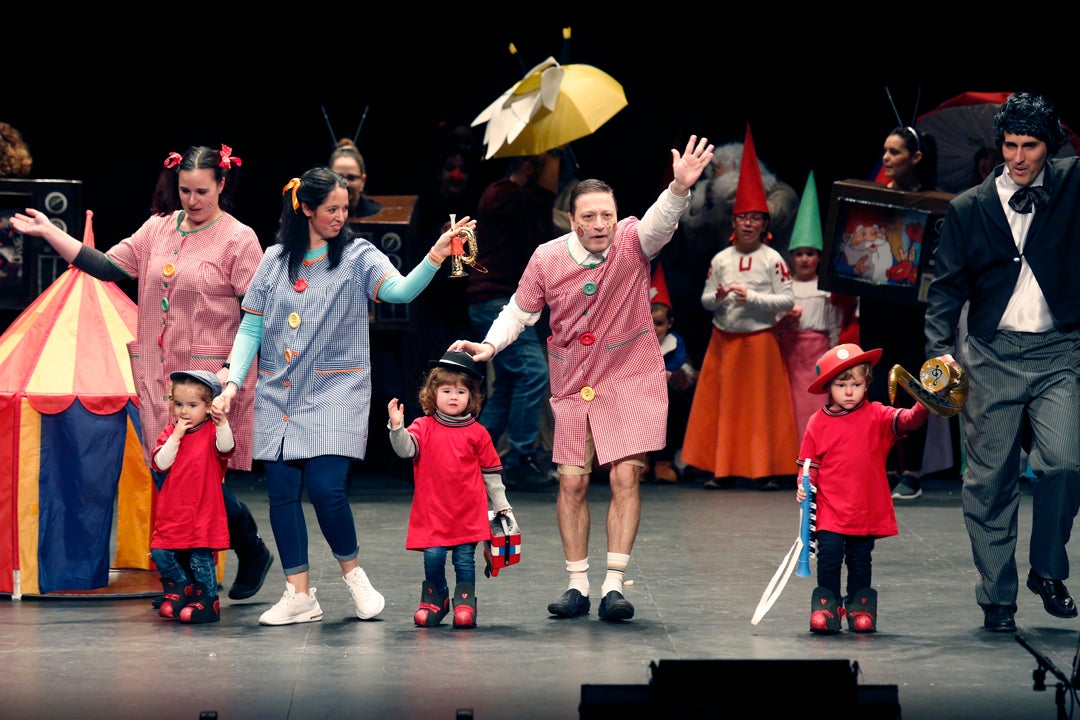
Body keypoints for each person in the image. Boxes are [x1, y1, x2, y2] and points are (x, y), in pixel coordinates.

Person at [451, 133, 715, 622]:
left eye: (607, 215)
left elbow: (660, 222)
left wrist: (678, 190)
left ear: (617, 216)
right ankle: (577, 585)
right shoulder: (548, 258)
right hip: (574, 381)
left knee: (624, 476)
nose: (600, 225)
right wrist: (488, 345)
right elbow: (520, 311)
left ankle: (614, 585)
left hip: (630, 374)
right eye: (589, 217)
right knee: (571, 484)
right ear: (571, 220)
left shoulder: (634, 241)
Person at [10, 144, 275, 603]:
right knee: (166, 475)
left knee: (200, 478)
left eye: (202, 192)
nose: (191, 201)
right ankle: (195, 578)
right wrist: (53, 233)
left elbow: (256, 311)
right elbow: (108, 266)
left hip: (209, 377)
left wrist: (231, 378)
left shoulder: (238, 239)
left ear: (222, 185)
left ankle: (246, 549)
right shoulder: (157, 228)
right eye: (185, 190)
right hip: (160, 376)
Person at [218, 166, 472, 626]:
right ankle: (299, 594)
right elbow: (251, 326)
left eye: (344, 208)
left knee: (325, 489)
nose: (341, 215)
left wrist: (435, 254)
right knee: (280, 492)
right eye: (331, 208)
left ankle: (353, 576)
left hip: (336, 387)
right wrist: (233, 382)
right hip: (280, 391)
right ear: (306, 209)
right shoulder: (274, 260)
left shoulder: (357, 256)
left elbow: (398, 291)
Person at [924, 92, 1080, 633]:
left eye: (1030, 146)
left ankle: (1047, 570)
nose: (1017, 156)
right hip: (991, 354)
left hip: (1061, 351)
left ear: (1050, 147)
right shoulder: (970, 207)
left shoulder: (1071, 186)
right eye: (1009, 145)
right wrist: (938, 353)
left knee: (1065, 464)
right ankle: (997, 599)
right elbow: (944, 289)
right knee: (990, 483)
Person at [681, 126, 798, 491]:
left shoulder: (772, 258)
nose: (747, 223)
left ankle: (763, 470)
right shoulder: (720, 258)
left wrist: (753, 297)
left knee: (760, 409)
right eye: (742, 217)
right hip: (725, 341)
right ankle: (721, 469)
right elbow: (704, 299)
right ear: (733, 221)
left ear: (765, 224)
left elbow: (787, 299)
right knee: (725, 408)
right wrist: (716, 299)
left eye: (755, 218)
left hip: (760, 340)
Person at [797, 343, 929, 634]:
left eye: (855, 384)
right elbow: (809, 465)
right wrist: (803, 486)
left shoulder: (878, 416)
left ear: (866, 383)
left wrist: (925, 401)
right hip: (831, 509)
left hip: (863, 509)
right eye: (841, 385)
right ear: (828, 387)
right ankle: (827, 606)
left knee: (859, 559)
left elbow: (909, 420)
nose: (848, 392)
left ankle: (859, 606)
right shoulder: (817, 423)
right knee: (829, 555)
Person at [388, 349, 513, 629]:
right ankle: (437, 598)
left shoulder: (477, 432)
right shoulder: (423, 426)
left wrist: (501, 504)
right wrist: (397, 428)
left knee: (464, 559)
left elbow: (492, 473)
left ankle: (465, 602)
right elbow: (406, 450)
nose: (453, 397)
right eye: (446, 390)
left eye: (460, 391)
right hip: (433, 511)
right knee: (433, 556)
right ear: (433, 394)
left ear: (472, 397)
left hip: (467, 512)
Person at [466, 150, 563, 491]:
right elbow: (544, 196)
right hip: (497, 301)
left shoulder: (512, 197)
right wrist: (552, 158)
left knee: (507, 385)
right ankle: (520, 458)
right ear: (526, 167)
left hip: (499, 299)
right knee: (534, 373)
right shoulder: (504, 196)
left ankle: (471, 456)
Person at [861, 125, 943, 501]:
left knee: (913, 385)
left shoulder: (936, 205)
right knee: (876, 384)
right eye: (884, 151)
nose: (887, 159)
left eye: (895, 152)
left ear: (916, 157)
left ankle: (910, 473)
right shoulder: (870, 200)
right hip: (877, 308)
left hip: (916, 310)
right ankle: (876, 467)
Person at [151, 370, 234, 624]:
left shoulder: (211, 432)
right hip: (174, 510)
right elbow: (160, 463)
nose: (183, 411)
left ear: (209, 407)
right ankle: (181, 586)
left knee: (200, 556)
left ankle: (208, 599)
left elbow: (226, 447)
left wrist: (222, 424)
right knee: (161, 552)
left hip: (203, 509)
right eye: (178, 404)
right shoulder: (170, 433)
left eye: (192, 405)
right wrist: (176, 436)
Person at [775, 171, 843, 443]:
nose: (804, 259)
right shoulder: (784, 288)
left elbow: (834, 325)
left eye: (810, 253)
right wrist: (783, 324)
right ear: (791, 257)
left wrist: (834, 358)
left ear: (819, 256)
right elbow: (776, 322)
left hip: (817, 356)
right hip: (789, 354)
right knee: (787, 406)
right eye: (799, 253)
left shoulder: (825, 288)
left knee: (814, 406)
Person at [647, 263, 695, 483]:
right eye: (650, 323)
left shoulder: (674, 342)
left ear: (669, 323)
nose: (655, 329)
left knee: (670, 421)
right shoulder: (640, 342)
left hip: (668, 393)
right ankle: (643, 461)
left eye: (659, 324)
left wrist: (669, 373)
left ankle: (664, 461)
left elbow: (679, 360)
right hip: (643, 395)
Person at [329, 138, 382, 219]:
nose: (345, 183)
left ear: (362, 181)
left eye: (351, 178)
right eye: (338, 177)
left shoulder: (376, 214)